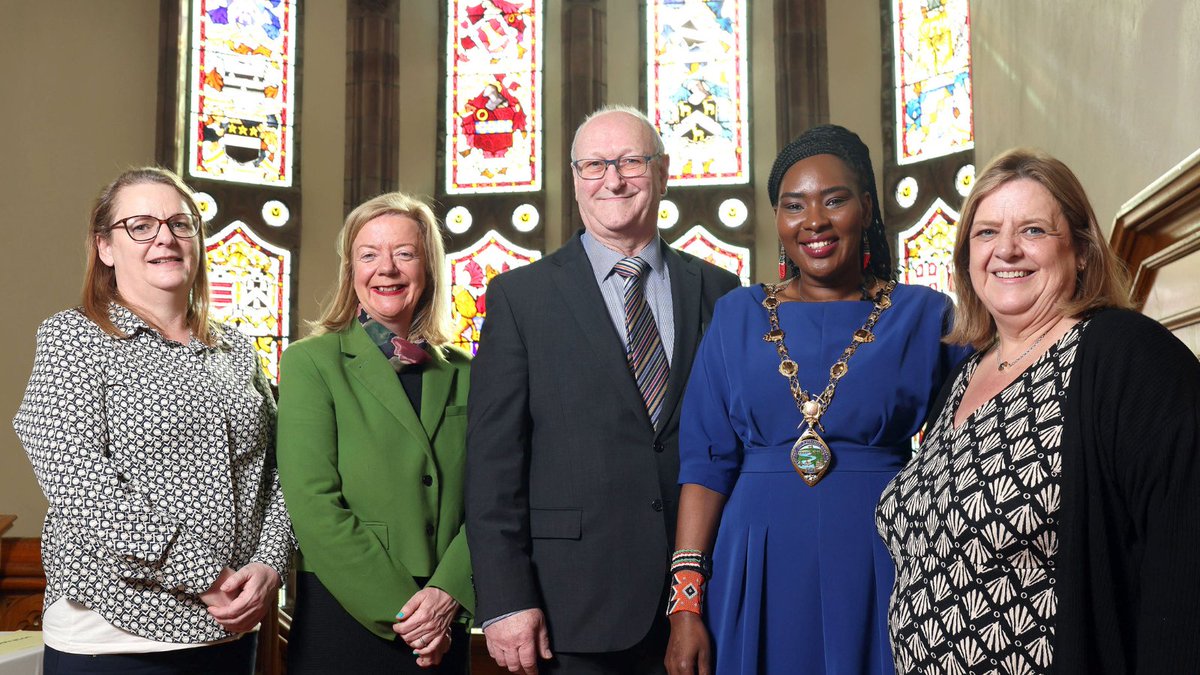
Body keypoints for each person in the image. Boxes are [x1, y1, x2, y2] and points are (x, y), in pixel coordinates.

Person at [876, 148, 1200, 673]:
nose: (1006, 249)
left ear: (1082, 252)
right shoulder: (963, 377)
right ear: (966, 257)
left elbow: (1185, 574)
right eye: (986, 232)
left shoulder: (1126, 356)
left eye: (1033, 230)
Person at [666, 125, 971, 675]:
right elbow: (705, 467)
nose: (814, 221)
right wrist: (685, 605)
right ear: (777, 220)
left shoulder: (926, 316)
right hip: (755, 558)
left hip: (887, 555)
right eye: (794, 205)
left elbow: (969, 450)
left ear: (867, 208)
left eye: (834, 200)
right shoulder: (737, 316)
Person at [465, 105, 741, 675]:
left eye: (630, 162)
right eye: (594, 165)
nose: (612, 180)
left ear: (662, 173)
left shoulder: (720, 290)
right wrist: (506, 600)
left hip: (708, 598)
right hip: (573, 607)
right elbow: (493, 465)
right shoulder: (521, 298)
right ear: (575, 180)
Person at [13, 167, 292, 674]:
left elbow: (279, 469)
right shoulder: (73, 339)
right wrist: (205, 576)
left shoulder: (236, 348)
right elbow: (79, 484)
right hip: (114, 632)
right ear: (105, 247)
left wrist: (269, 563)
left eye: (180, 224)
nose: (165, 237)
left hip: (229, 626)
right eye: (140, 226)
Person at [276, 192, 473, 674]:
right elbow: (313, 505)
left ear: (429, 267)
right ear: (351, 270)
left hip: (445, 615)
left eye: (405, 253)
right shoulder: (311, 363)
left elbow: (494, 499)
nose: (387, 269)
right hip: (347, 609)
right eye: (369, 255)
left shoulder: (467, 371)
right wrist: (409, 615)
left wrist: (449, 591)